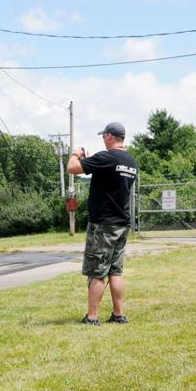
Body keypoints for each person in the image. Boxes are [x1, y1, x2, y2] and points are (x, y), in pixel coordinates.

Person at [67, 122, 139, 325]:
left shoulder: (106, 157)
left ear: (109, 136)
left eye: (103, 136)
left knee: (97, 272)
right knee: (115, 270)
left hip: (103, 224)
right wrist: (89, 160)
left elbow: (72, 168)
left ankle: (92, 317)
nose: (102, 140)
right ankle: (118, 314)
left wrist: (76, 154)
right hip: (122, 222)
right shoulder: (131, 161)